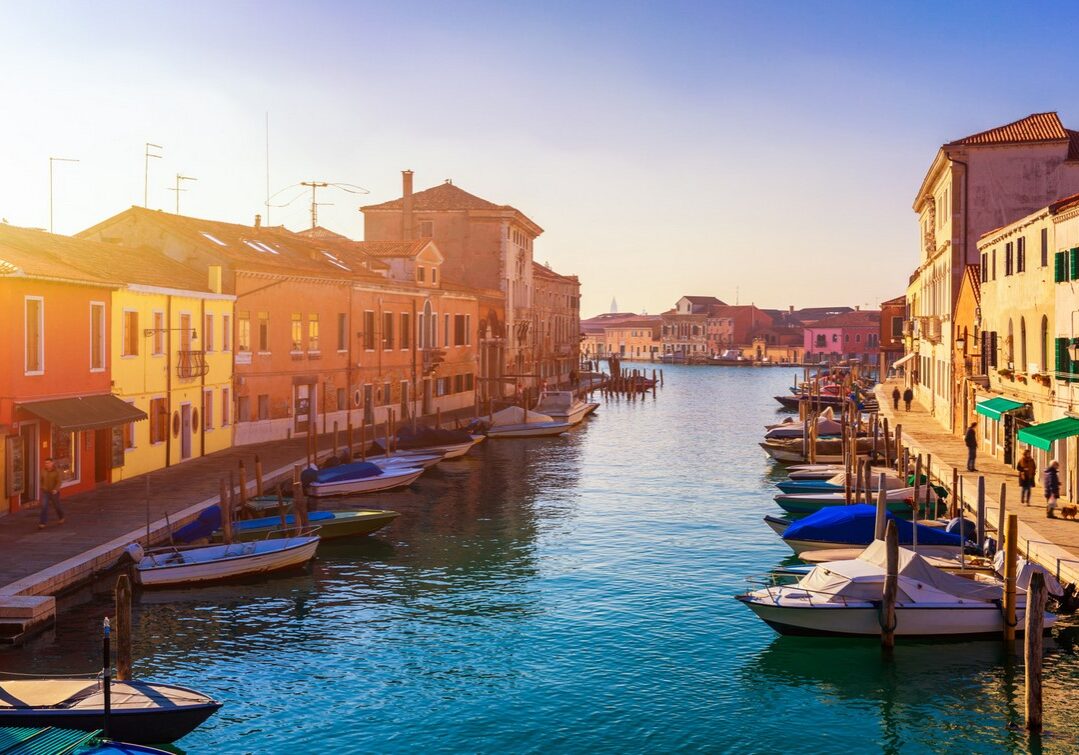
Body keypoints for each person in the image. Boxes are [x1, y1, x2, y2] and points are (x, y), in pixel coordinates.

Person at [38, 457, 64, 530]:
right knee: (44, 507)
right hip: (45, 491)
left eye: (48, 463)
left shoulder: (57, 471)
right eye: (46, 463)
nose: (47, 464)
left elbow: (59, 482)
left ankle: (61, 517)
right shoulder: (43, 470)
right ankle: (42, 522)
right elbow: (41, 480)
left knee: (57, 506)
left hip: (54, 492)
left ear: (52, 463)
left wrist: (56, 489)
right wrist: (41, 487)